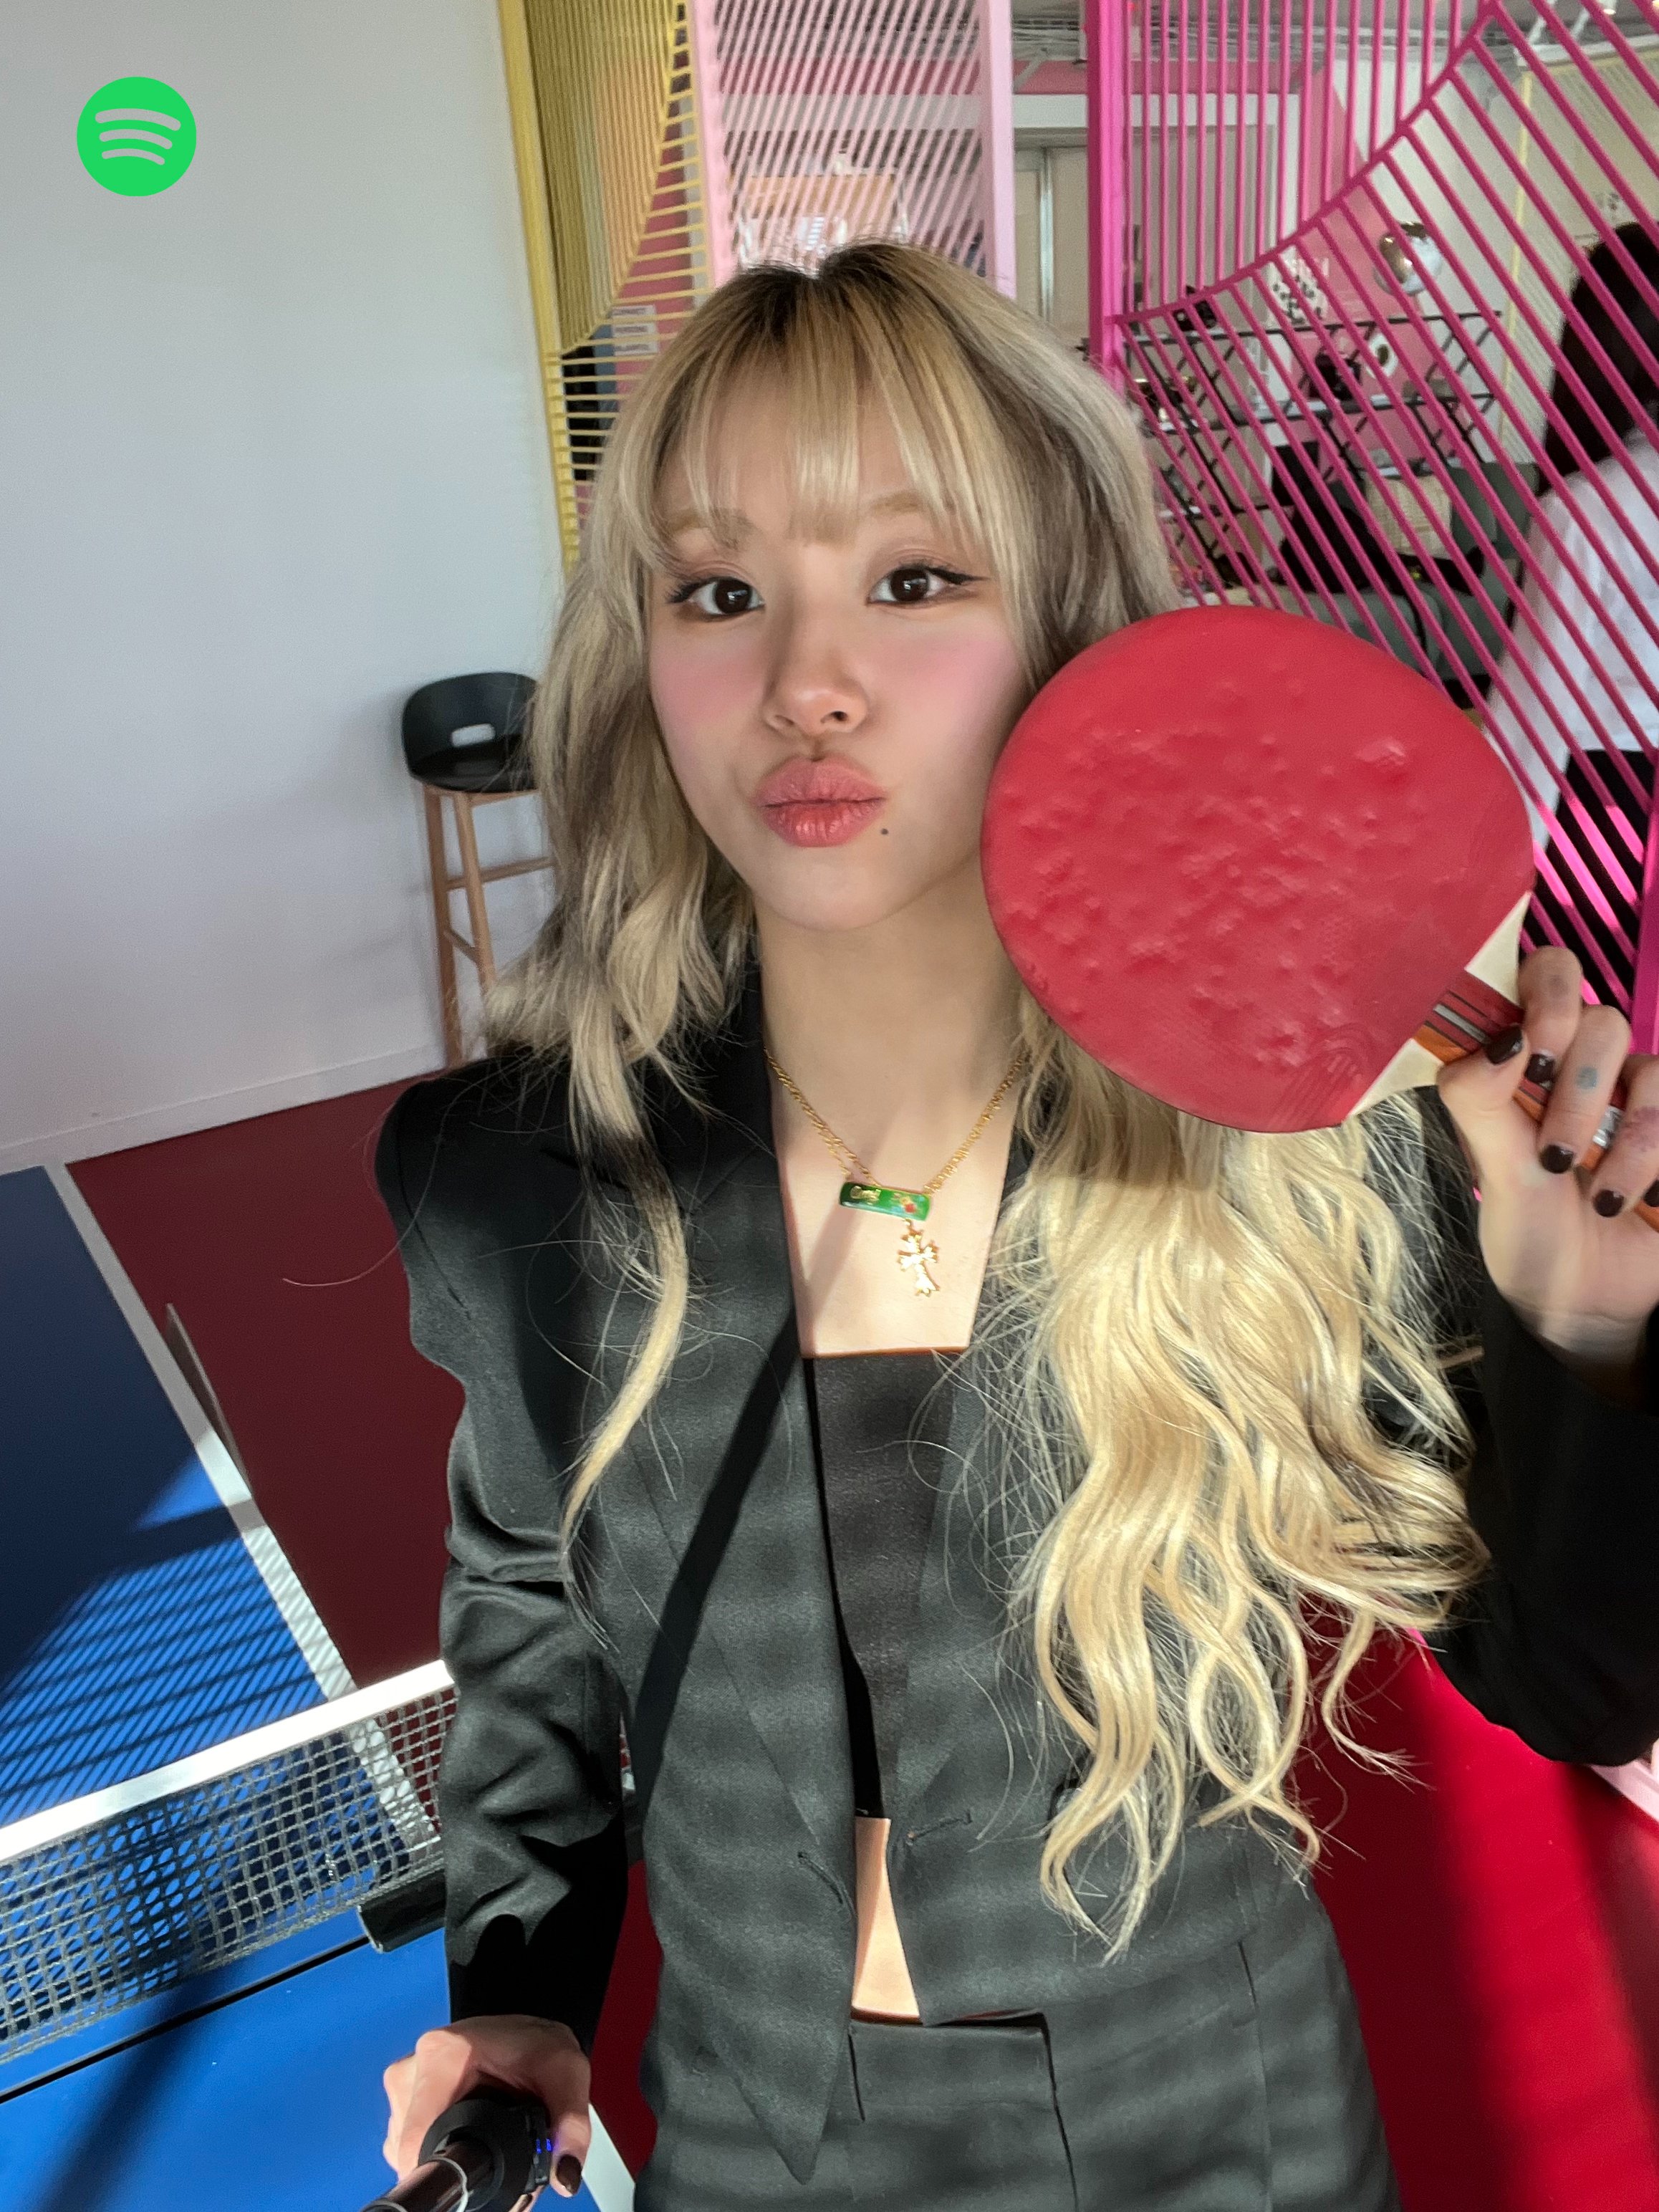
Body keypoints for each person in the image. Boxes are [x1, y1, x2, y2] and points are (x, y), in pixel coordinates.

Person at [375, 242, 1659, 2211]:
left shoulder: (1297, 1154)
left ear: (1067, 633)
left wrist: (1582, 1324)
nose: (805, 682)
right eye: (718, 591)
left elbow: (1577, 1687)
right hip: (748, 2139)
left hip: (1219, 2135)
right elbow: (531, 1599)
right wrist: (518, 1979)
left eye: (912, 581)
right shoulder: (519, 1180)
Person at [1483, 222, 1659, 1000]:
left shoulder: (1594, 506)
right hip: (1616, 787)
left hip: (1609, 797)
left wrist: (1488, 873)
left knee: (1587, 1001)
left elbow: (1537, 708)